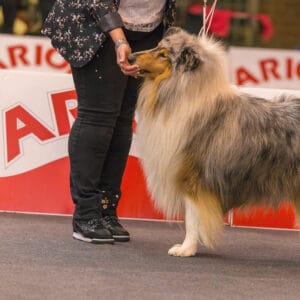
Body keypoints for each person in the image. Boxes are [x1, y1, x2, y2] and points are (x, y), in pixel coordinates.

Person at [42, 0, 176, 244]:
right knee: (97, 117)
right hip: (95, 26)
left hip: (148, 29)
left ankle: (106, 209)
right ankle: (86, 213)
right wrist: (120, 39)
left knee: (123, 120)